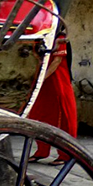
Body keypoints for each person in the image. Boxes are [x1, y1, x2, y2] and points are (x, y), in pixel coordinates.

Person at [27, 36, 77, 165]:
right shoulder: (41, 36)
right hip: (43, 81)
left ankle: (66, 154)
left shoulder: (60, 37)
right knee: (40, 114)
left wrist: (41, 78)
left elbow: (57, 61)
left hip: (58, 80)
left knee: (63, 116)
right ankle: (42, 150)